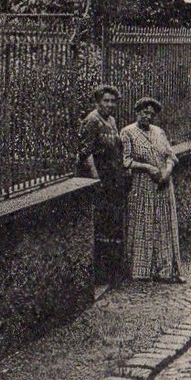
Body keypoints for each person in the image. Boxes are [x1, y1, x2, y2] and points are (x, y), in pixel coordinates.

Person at [120, 97, 183, 282]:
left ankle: (164, 270)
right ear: (137, 112)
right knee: (143, 225)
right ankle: (141, 271)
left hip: (163, 185)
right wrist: (148, 168)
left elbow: (171, 155)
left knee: (163, 226)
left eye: (151, 114)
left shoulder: (159, 132)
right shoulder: (128, 133)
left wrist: (167, 171)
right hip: (142, 185)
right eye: (144, 113)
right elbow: (126, 160)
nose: (147, 116)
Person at [77, 84, 125, 285]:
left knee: (112, 224)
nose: (110, 104)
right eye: (106, 100)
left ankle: (111, 272)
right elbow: (86, 153)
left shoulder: (111, 121)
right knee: (101, 224)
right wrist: (96, 179)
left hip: (113, 178)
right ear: (98, 102)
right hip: (100, 179)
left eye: (113, 101)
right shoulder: (92, 121)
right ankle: (99, 275)